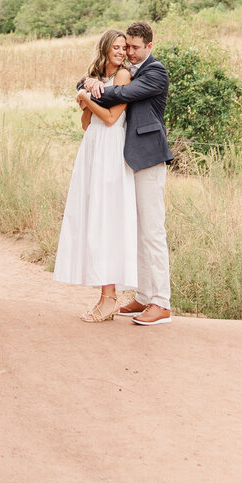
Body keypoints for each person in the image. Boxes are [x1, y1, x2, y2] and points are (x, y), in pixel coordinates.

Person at [78, 20, 173, 327]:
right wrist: (85, 84)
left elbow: (120, 94)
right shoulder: (132, 69)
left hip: (148, 158)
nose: (129, 53)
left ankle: (161, 302)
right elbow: (104, 84)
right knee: (137, 229)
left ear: (149, 47)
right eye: (126, 46)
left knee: (153, 231)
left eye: (135, 47)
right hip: (128, 158)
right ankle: (144, 296)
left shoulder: (154, 72)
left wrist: (87, 92)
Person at [54, 29, 138, 323]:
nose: (120, 51)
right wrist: (85, 99)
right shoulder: (96, 77)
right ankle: (105, 296)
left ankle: (110, 298)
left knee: (107, 219)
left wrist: (84, 97)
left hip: (112, 153)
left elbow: (112, 118)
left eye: (123, 47)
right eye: (115, 47)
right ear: (105, 48)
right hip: (93, 149)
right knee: (94, 218)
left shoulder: (123, 77)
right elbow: (86, 124)